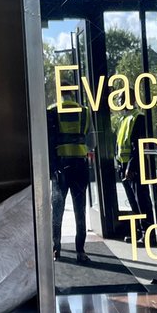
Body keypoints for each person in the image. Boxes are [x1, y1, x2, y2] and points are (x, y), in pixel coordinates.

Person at [48, 88, 93, 264]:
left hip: (60, 167)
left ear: (59, 95)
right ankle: (80, 251)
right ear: (72, 96)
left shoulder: (52, 111)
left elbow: (49, 140)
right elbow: (92, 142)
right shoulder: (85, 112)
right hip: (80, 165)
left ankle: (55, 249)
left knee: (57, 209)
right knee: (79, 209)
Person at [114, 105, 154, 229]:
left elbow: (138, 144)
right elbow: (120, 143)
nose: (119, 102)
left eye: (122, 98)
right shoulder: (123, 119)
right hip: (124, 165)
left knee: (141, 200)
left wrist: (130, 166)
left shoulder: (138, 117)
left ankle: (148, 232)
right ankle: (140, 230)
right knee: (133, 200)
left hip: (134, 166)